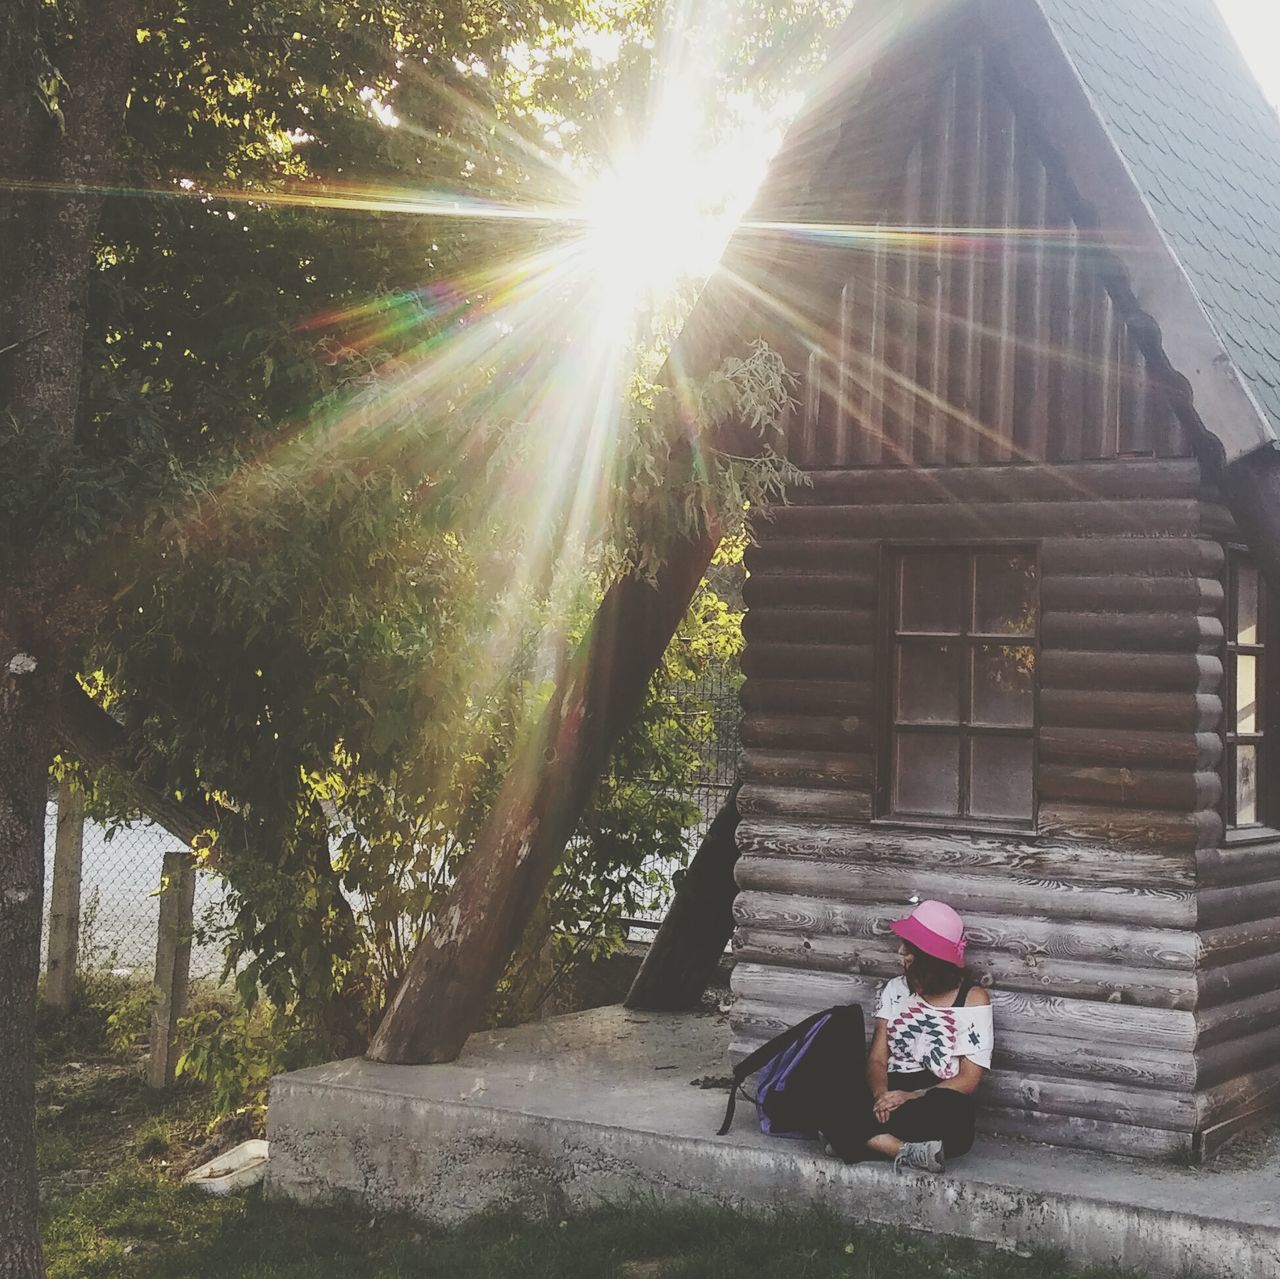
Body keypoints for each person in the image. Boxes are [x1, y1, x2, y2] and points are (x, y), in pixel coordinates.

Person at [822, 899, 993, 1173]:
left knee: (958, 1117)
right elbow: (878, 1059)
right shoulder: (894, 990)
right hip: (889, 1088)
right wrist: (881, 1094)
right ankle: (904, 1151)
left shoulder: (973, 999)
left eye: (910, 947)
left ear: (931, 957)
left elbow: (969, 1079)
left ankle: (855, 1138)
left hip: (934, 1095)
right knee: (831, 1090)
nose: (902, 952)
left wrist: (911, 1096)